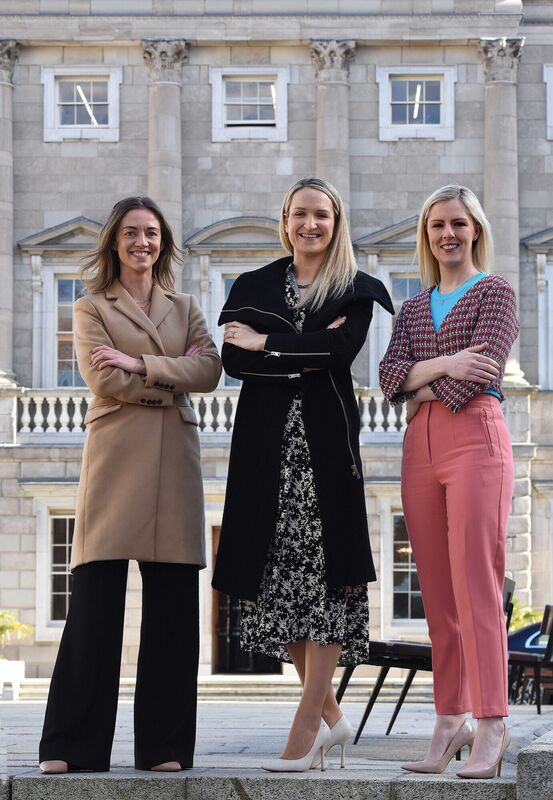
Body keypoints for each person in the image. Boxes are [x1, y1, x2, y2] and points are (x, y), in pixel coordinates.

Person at [212, 177, 394, 772]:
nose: (310, 224)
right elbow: (233, 361)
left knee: (328, 581)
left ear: (336, 223)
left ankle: (306, 727)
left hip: (326, 453)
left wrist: (265, 341)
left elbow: (338, 354)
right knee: (275, 581)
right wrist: (301, 350)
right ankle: (334, 720)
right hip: (265, 452)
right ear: (284, 220)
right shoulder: (253, 284)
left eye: (321, 214)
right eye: (299, 214)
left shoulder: (355, 289)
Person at [39, 196, 221, 773]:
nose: (142, 242)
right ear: (115, 243)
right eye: (131, 233)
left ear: (163, 243)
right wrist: (170, 374)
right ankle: (70, 745)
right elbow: (102, 379)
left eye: (152, 233)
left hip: (174, 458)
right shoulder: (91, 305)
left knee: (172, 608)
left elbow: (210, 370)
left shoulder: (186, 306)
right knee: (94, 604)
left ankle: (164, 747)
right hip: (115, 457)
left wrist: (140, 364)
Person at [379, 185, 519, 780]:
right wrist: (442, 365)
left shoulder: (495, 293)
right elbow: (388, 379)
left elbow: (480, 372)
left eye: (459, 223)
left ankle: (491, 722)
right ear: (427, 234)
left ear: (476, 230)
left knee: (476, 586)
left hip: (475, 439)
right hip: (420, 449)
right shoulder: (413, 307)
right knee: (436, 592)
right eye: (437, 224)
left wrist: (422, 384)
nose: (448, 234)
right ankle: (448, 719)